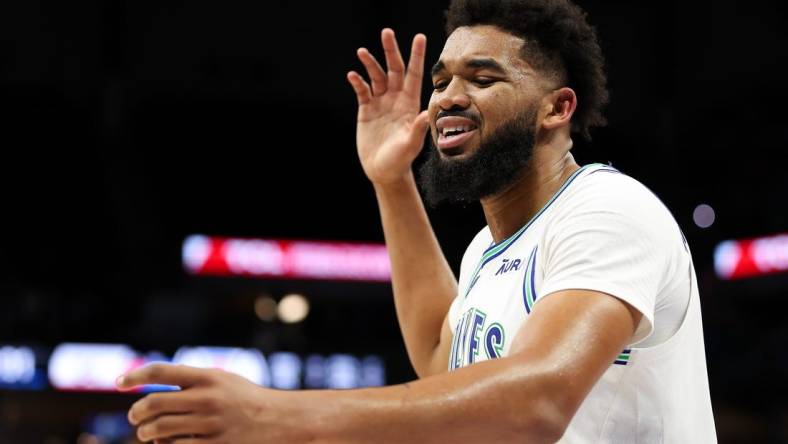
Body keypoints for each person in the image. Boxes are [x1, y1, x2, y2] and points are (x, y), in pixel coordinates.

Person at [117, 0, 717, 442]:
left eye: (482, 79)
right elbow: (438, 353)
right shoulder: (488, 248)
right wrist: (391, 181)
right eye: (442, 80)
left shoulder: (609, 211)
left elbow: (537, 401)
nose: (447, 97)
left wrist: (277, 415)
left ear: (557, 109)